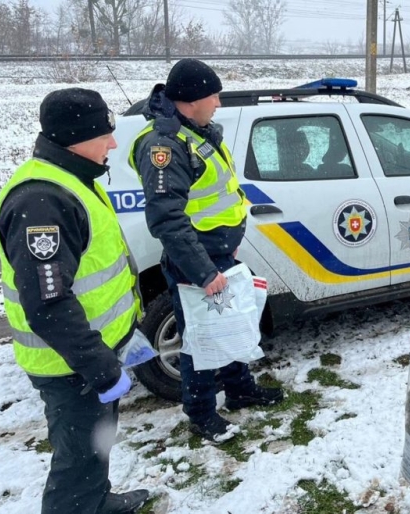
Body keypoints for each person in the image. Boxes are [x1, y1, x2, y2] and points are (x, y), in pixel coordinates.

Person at [0, 88, 149, 514]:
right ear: (77, 137)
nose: (113, 144)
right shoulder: (43, 201)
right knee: (75, 461)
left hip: (92, 354)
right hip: (71, 365)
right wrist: (99, 367)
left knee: (94, 448)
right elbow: (48, 304)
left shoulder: (73, 178)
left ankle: (96, 502)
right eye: (105, 135)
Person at [129, 58, 283, 443]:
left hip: (218, 255)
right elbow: (167, 219)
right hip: (195, 261)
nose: (218, 102)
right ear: (192, 99)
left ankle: (239, 389)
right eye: (213, 95)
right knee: (199, 338)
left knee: (227, 325)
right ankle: (201, 413)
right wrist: (203, 272)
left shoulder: (194, 131)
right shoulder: (164, 146)